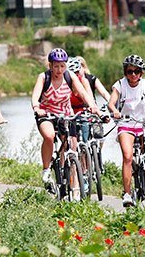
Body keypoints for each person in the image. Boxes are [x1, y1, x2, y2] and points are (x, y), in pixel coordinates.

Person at [31, 48, 98, 189]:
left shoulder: (70, 76)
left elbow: (83, 93)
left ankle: (69, 180)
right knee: (49, 136)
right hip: (47, 114)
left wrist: (93, 106)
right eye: (56, 66)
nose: (59, 69)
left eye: (62, 65)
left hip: (66, 114)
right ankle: (46, 169)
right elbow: (35, 97)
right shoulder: (44, 77)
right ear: (50, 66)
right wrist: (37, 108)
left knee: (72, 146)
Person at [108, 54, 145, 207]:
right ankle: (127, 194)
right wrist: (115, 111)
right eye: (130, 71)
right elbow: (111, 103)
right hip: (126, 124)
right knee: (128, 157)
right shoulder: (120, 85)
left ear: (141, 72)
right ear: (125, 72)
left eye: (136, 71)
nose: (133, 75)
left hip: (144, 123)